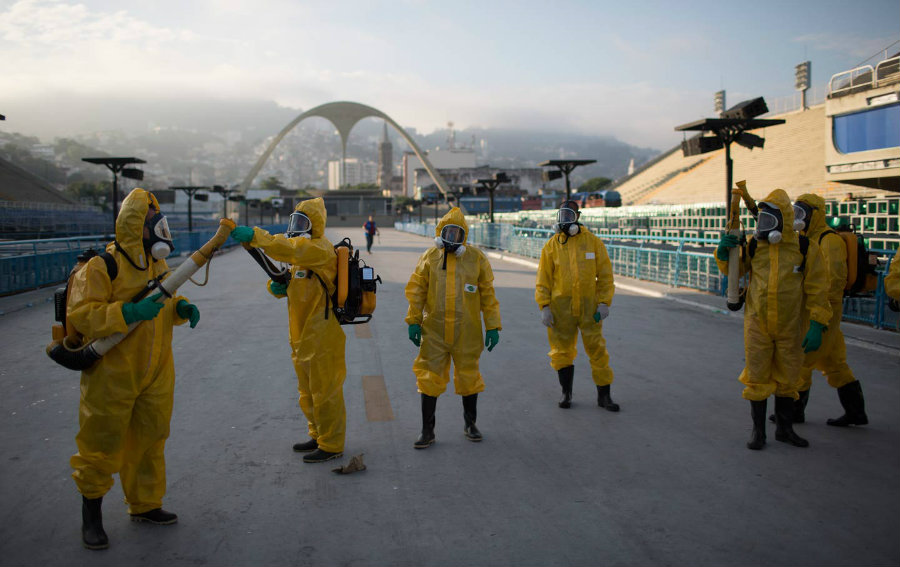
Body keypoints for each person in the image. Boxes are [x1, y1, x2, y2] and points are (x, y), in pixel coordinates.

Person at [68, 188, 200, 550]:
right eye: (149, 221)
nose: (158, 228)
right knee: (101, 442)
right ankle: (91, 515)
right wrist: (125, 313)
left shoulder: (157, 264)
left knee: (150, 439)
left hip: (156, 370)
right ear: (134, 225)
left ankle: (145, 503)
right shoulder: (101, 266)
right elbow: (81, 315)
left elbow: (163, 302)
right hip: (113, 374)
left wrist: (181, 308)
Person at [230, 198, 347, 463]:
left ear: (315, 225)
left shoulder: (318, 249)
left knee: (325, 392)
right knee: (307, 391)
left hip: (322, 334)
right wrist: (280, 289)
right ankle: (317, 435)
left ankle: (332, 444)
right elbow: (300, 287)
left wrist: (256, 236)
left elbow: (285, 248)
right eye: (295, 221)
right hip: (301, 334)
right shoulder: (301, 257)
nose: (297, 227)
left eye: (302, 222)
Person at [716, 189, 831, 450]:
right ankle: (758, 431)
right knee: (757, 376)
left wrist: (817, 323)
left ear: (784, 220)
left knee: (788, 377)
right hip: (758, 323)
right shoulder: (756, 245)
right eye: (762, 220)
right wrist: (723, 253)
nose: (764, 227)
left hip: (791, 325)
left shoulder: (804, 248)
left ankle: (784, 429)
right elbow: (735, 269)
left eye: (769, 221)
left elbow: (817, 288)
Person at [405, 207, 501, 448]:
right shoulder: (429, 258)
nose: (452, 238)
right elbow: (416, 291)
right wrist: (413, 321)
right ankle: (427, 430)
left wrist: (492, 326)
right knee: (428, 378)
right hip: (434, 331)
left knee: (469, 376)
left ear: (464, 236)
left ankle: (470, 424)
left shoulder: (476, 259)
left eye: (457, 234)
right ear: (440, 232)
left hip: (467, 332)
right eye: (448, 233)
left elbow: (488, 295)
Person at [790, 194, 867, 426]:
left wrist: (818, 320)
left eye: (802, 213)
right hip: (818, 310)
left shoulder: (829, 241)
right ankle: (856, 413)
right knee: (834, 363)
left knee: (802, 360)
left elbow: (832, 283)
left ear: (816, 213)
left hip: (824, 312)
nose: (798, 218)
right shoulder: (805, 238)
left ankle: (794, 412)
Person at [535, 200, 619, 411]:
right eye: (562, 215)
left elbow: (605, 276)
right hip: (560, 311)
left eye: (569, 216)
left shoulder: (593, 243)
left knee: (597, 350)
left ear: (577, 217)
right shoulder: (551, 246)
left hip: (590, 310)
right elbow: (543, 280)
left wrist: (604, 302)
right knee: (561, 351)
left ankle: (604, 396)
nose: (565, 220)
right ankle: (566, 393)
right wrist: (544, 306)